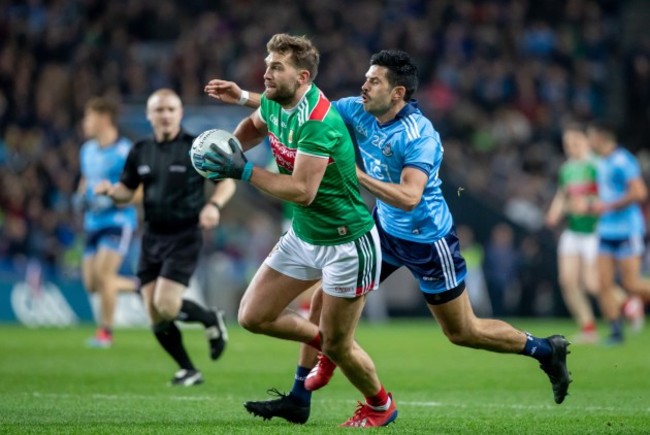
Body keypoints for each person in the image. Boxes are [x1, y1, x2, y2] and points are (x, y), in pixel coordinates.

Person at [204, 49, 572, 424]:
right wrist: (245, 98)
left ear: (397, 94)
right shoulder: (358, 108)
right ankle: (302, 395)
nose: (364, 85)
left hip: (427, 240)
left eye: (374, 80)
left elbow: (411, 197)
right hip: (382, 231)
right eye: (366, 77)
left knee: (463, 331)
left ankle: (543, 349)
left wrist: (353, 173)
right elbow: (308, 103)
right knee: (321, 302)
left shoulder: (418, 135)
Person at [198, 34, 398, 428]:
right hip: (305, 237)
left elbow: (302, 192)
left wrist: (243, 171)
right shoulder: (275, 102)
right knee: (254, 316)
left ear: (302, 76)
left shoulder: (318, 122)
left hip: (348, 244)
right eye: (267, 65)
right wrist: (227, 149)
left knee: (340, 343)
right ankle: (329, 351)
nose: (266, 74)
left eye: (276, 67)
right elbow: (255, 125)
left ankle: (380, 405)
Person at [94, 89, 234, 386]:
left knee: (167, 305)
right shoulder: (140, 150)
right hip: (152, 236)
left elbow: (226, 183)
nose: (166, 115)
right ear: (149, 115)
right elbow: (126, 192)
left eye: (171, 109)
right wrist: (111, 191)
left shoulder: (196, 148)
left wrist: (213, 205)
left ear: (180, 113)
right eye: (159, 110)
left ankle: (211, 319)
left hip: (184, 235)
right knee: (155, 314)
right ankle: (188, 369)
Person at [74, 97, 139, 348]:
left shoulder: (125, 151)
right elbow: (86, 178)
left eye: (88, 117)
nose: (85, 123)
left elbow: (138, 188)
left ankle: (105, 333)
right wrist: (80, 196)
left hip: (118, 220)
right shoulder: (87, 150)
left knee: (104, 275)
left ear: (103, 119)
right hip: (93, 221)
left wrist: (114, 198)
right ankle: (139, 286)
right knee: (92, 284)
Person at [585, 120, 650, 344]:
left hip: (627, 230)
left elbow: (640, 192)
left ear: (601, 137)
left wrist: (608, 206)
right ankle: (615, 332)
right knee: (603, 283)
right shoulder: (601, 162)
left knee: (631, 284)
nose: (589, 141)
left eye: (591, 136)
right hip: (606, 230)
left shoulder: (623, 160)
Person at [545, 123, 601, 343]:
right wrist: (554, 212)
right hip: (573, 230)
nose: (571, 147)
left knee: (593, 285)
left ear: (586, 141)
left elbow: (608, 197)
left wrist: (588, 204)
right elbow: (563, 194)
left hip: (594, 230)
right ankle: (588, 327)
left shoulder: (596, 166)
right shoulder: (567, 168)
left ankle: (628, 304)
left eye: (575, 142)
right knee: (567, 281)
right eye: (567, 143)